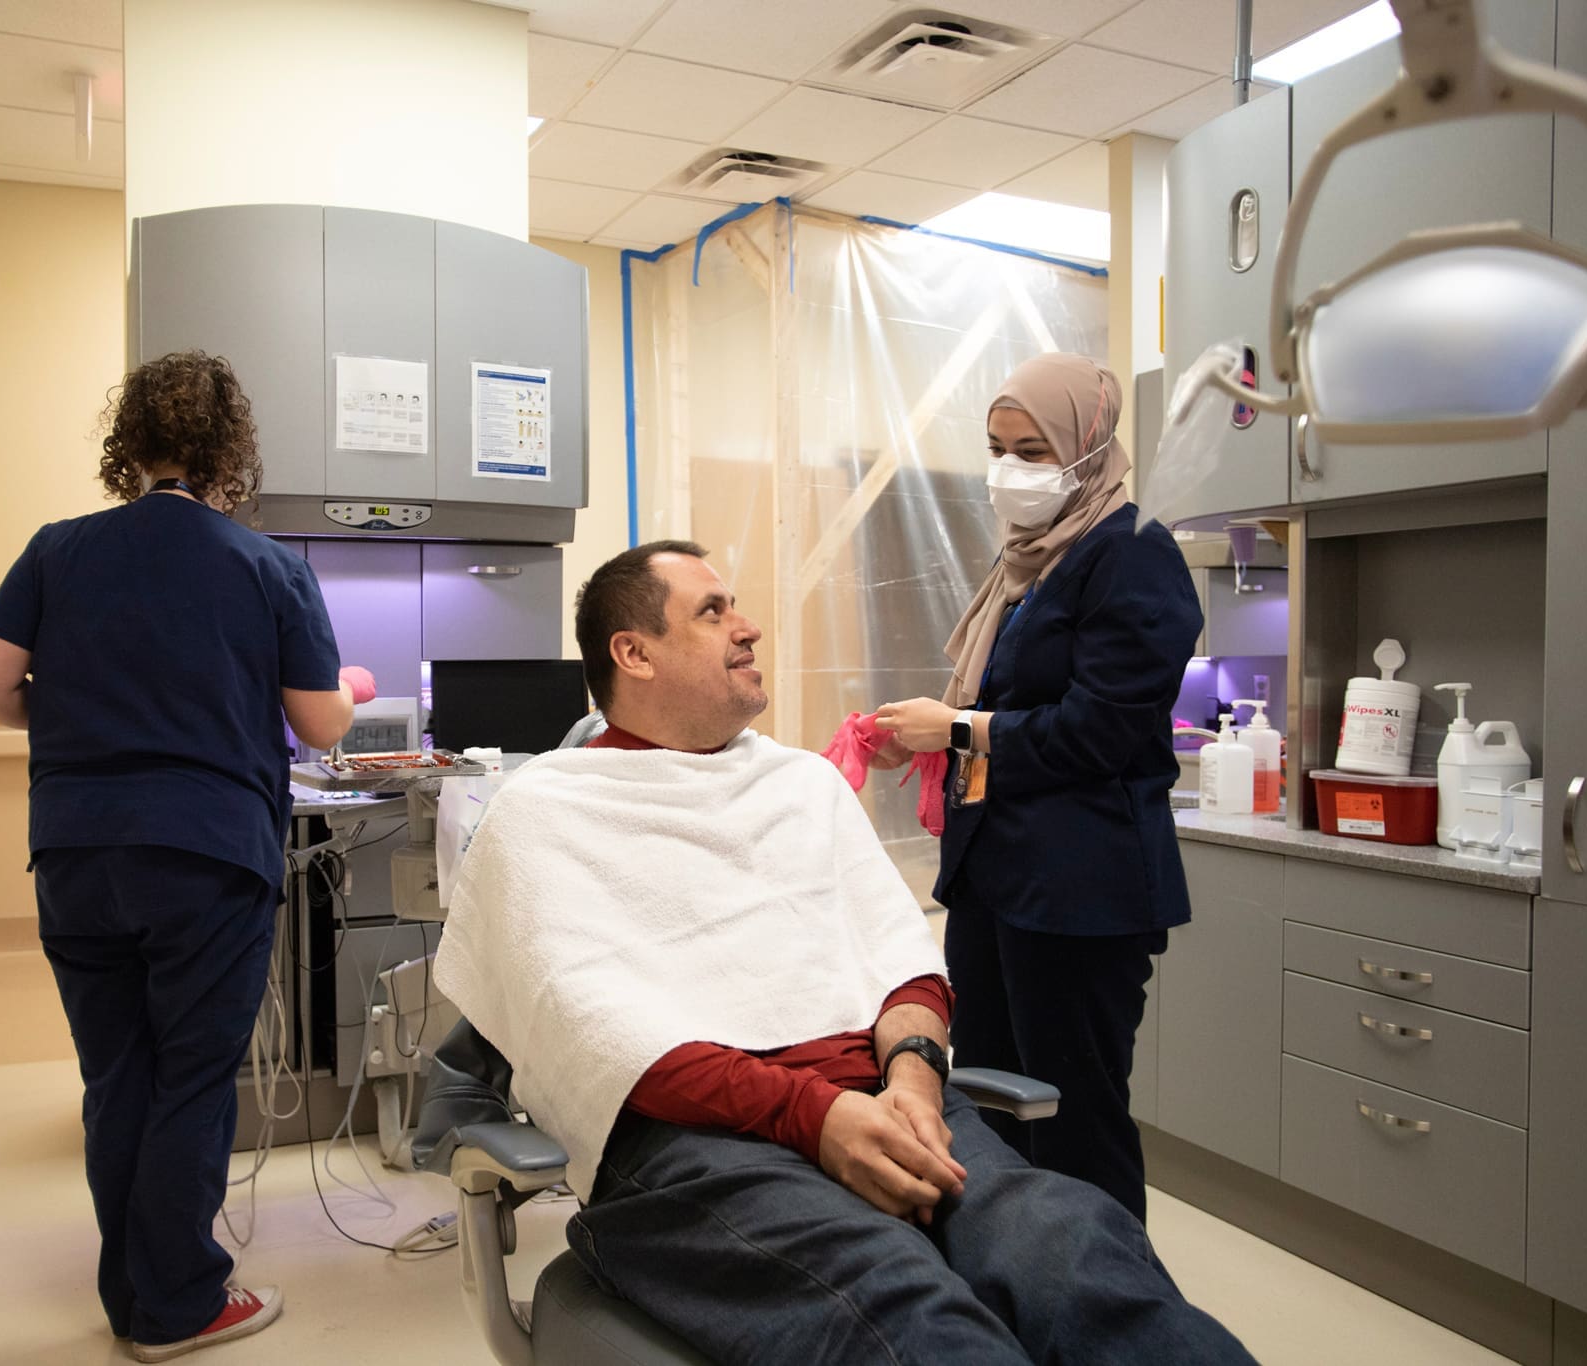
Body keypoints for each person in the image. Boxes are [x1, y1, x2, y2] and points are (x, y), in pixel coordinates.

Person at [430, 541, 1250, 1366]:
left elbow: (903, 961)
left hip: (887, 1102)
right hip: (692, 1147)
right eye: (713, 612)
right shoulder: (545, 811)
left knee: (1080, 1258)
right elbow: (596, 1037)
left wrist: (916, 1080)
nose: (747, 628)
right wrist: (816, 1119)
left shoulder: (800, 785)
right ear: (633, 653)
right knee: (910, 1311)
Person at [0, 351, 357, 1362]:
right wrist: (340, 680)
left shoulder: (59, 549)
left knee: (117, 1073)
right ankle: (177, 1304)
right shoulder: (266, 564)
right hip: (205, 854)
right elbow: (320, 726)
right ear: (233, 454)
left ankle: (132, 1293)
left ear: (125, 446)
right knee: (191, 1076)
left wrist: (70, 713)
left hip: (78, 850)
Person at [872, 353, 1203, 1223]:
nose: (1011, 471)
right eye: (997, 448)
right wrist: (934, 739)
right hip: (1000, 878)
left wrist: (955, 730)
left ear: (1089, 451)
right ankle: (1016, 1281)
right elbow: (1008, 706)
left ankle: (1108, 1311)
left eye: (1033, 449)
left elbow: (1103, 730)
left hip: (1080, 892)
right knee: (988, 1101)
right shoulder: (1033, 564)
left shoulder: (1133, 553)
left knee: (1072, 1118)